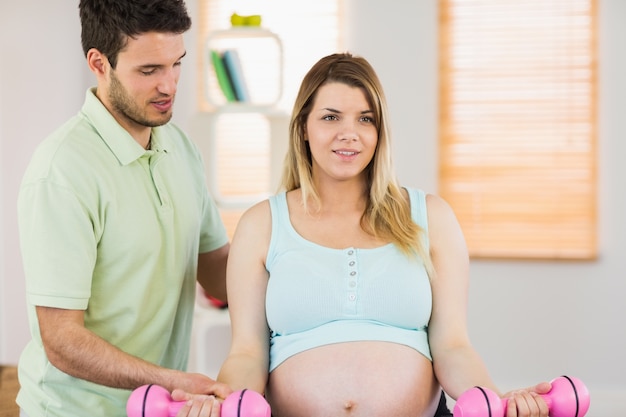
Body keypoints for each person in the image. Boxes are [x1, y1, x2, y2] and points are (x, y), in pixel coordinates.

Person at [212, 52, 552, 417]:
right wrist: (219, 402)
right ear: (303, 129)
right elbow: (247, 354)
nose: (350, 134)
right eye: (330, 117)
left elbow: (453, 346)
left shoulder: (430, 217)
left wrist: (497, 403)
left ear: (380, 131)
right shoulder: (261, 224)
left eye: (365, 119)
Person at [16, 1, 232, 416]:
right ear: (99, 63)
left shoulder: (181, 148)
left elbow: (217, 270)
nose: (169, 86)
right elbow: (61, 340)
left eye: (177, 64)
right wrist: (173, 380)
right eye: (149, 71)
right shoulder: (62, 171)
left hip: (159, 406)